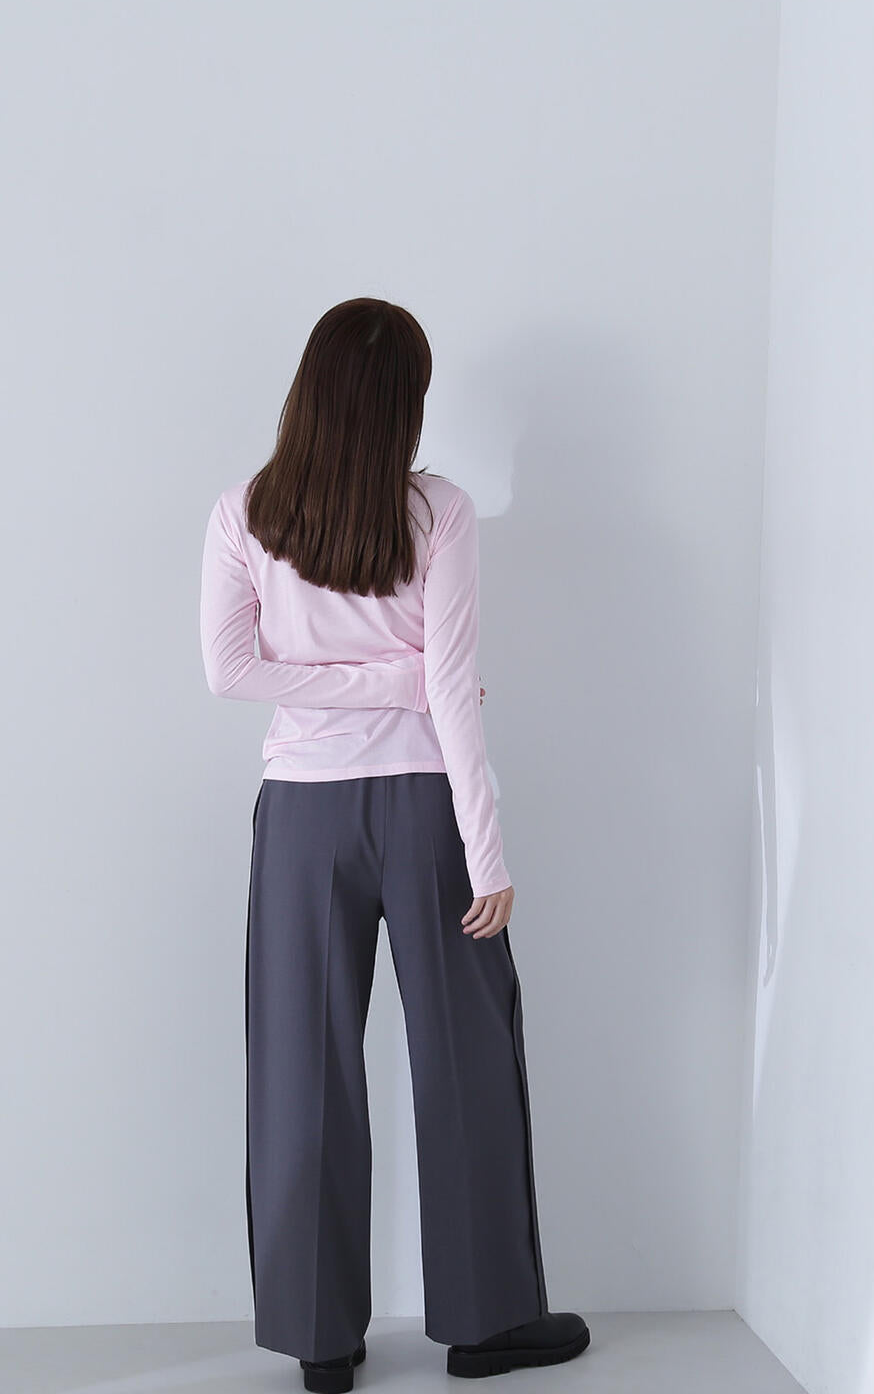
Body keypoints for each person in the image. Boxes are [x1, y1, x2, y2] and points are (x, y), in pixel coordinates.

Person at [199, 297, 589, 1392]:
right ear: (404, 402)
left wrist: (377, 684)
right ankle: (485, 1324)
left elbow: (235, 671)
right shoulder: (438, 512)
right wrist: (485, 845)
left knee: (300, 1067)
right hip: (428, 810)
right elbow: (447, 690)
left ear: (310, 391)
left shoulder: (246, 513)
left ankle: (320, 1342)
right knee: (468, 1057)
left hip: (303, 821)